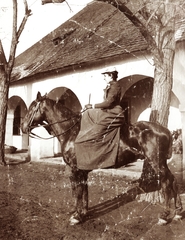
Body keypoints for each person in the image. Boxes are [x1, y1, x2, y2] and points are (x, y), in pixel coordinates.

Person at [74, 67, 125, 170]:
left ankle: (99, 152)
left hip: (114, 113)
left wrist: (92, 105)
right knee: (87, 114)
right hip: (108, 112)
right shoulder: (111, 86)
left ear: (111, 75)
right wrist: (90, 107)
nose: (104, 78)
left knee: (97, 127)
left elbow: (108, 103)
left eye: (105, 76)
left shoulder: (115, 86)